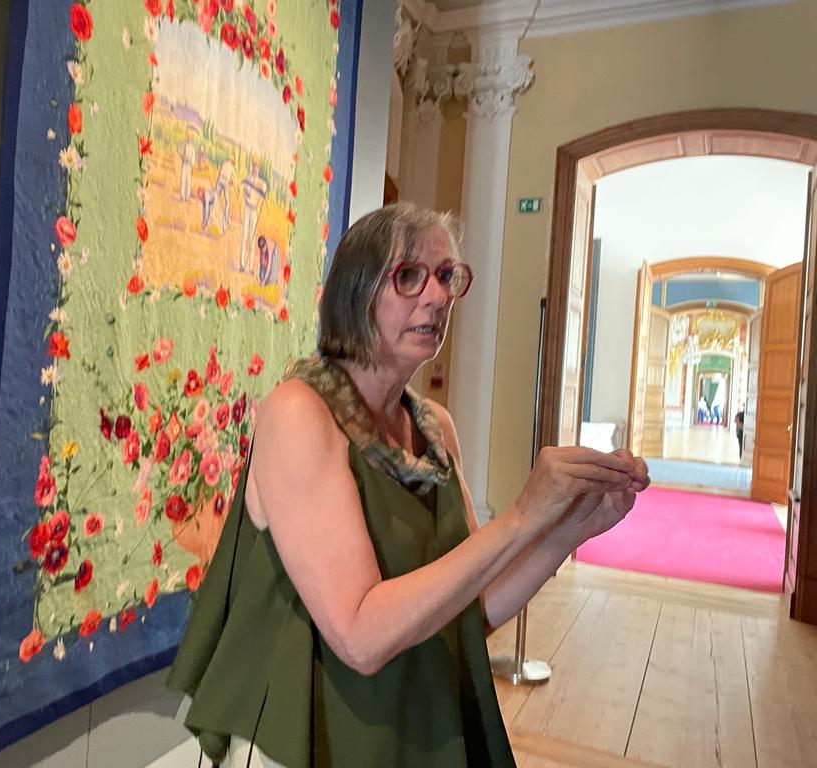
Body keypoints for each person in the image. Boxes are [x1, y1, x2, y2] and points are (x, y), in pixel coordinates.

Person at [168, 204, 650, 768]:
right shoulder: (299, 412)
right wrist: (521, 516)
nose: (438, 296)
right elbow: (359, 637)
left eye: (446, 276)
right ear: (355, 291)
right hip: (310, 734)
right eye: (409, 276)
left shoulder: (433, 427)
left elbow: (470, 610)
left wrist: (571, 527)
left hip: (403, 725)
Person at [239, 161, 268, 272]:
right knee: (244, 236)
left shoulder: (261, 181)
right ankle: (242, 264)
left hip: (254, 210)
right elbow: (245, 191)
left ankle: (250, 267)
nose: (255, 169)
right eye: (253, 166)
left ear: (259, 169)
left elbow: (264, 189)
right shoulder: (249, 178)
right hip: (247, 208)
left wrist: (258, 186)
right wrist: (246, 194)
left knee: (252, 237)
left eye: (256, 167)